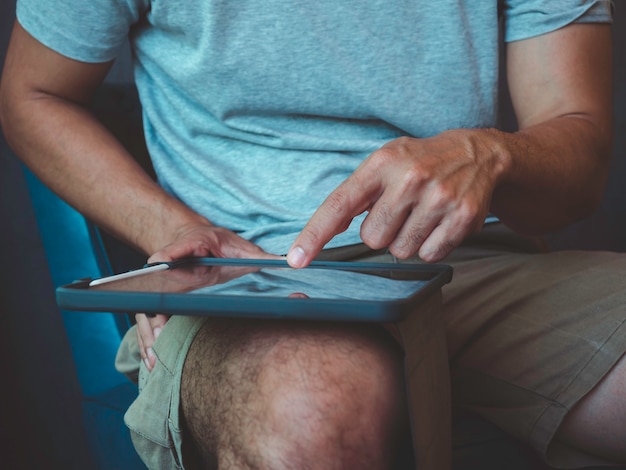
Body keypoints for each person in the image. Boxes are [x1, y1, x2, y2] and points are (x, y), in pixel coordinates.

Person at [1, 0, 624, 468]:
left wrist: (489, 154)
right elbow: (33, 92)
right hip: (250, 274)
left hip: (476, 260)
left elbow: (580, 161)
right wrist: (173, 228)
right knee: (314, 412)